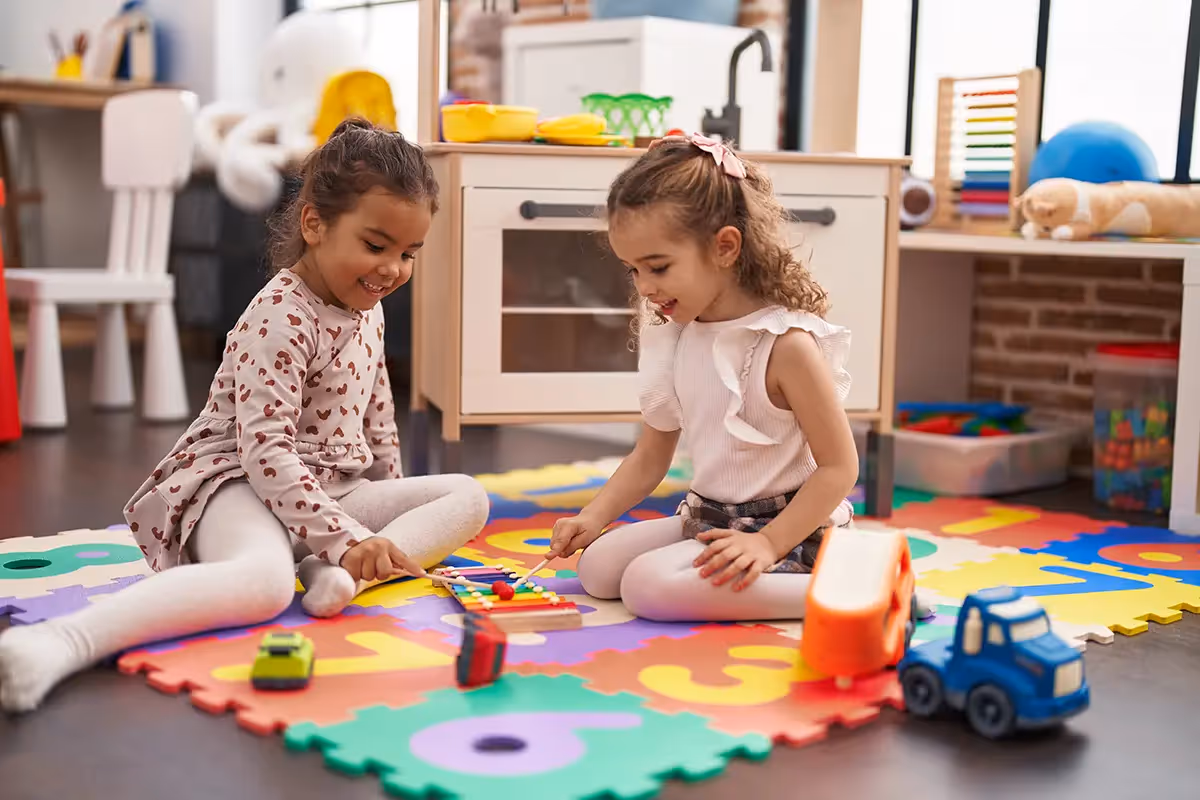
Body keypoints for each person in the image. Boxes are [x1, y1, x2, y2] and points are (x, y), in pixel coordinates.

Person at [0, 119, 489, 713]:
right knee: (261, 586)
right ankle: (62, 640)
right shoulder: (281, 316)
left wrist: (374, 520)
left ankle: (341, 571)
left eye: (409, 253)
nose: (392, 268)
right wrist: (349, 536)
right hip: (239, 484)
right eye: (375, 245)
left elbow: (376, 410)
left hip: (329, 491)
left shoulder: (367, 305)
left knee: (468, 497)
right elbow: (266, 453)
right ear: (314, 224)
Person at [546, 132, 859, 622]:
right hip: (707, 517)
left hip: (791, 528)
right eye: (633, 271)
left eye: (659, 267)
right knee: (599, 569)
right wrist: (594, 515)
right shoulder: (676, 336)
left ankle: (854, 590)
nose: (645, 288)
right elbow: (652, 456)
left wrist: (767, 544)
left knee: (647, 589)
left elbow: (840, 468)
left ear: (725, 247)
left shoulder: (786, 346)